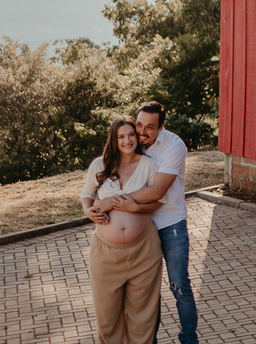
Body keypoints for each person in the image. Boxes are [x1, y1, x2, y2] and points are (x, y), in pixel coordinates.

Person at [111, 101, 198, 344]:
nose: (142, 132)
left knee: (179, 285)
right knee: (147, 292)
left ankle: (189, 339)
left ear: (161, 127)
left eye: (150, 127)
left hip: (171, 224)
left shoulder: (174, 146)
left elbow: (158, 190)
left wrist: (114, 201)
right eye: (139, 124)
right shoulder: (132, 142)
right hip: (142, 225)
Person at [81, 116, 165, 344]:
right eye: (121, 136)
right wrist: (88, 212)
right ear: (114, 139)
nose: (127, 141)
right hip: (106, 255)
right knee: (108, 320)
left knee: (143, 319)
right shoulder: (100, 165)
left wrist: (135, 207)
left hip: (144, 252)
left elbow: (159, 200)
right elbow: (86, 195)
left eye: (130, 135)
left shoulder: (148, 165)